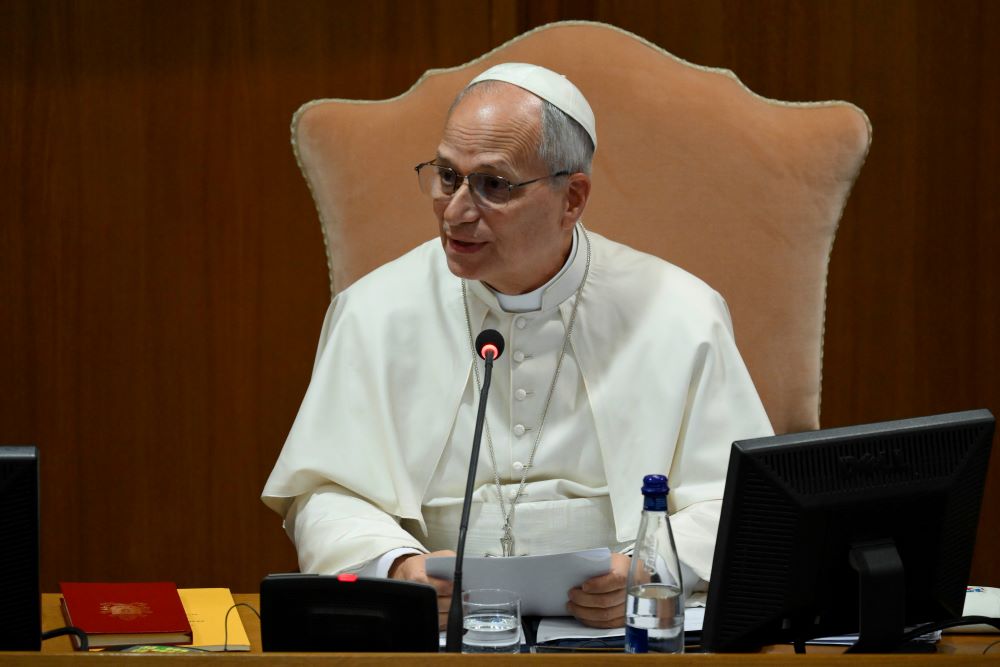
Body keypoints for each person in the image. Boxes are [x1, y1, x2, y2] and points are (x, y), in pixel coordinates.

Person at [262, 63, 773, 629]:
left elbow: (737, 503)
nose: (455, 211)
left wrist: (649, 564)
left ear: (571, 198)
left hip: (617, 627)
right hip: (437, 632)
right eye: (448, 176)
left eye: (493, 185)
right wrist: (400, 567)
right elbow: (324, 493)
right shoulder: (375, 311)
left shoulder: (681, 313)